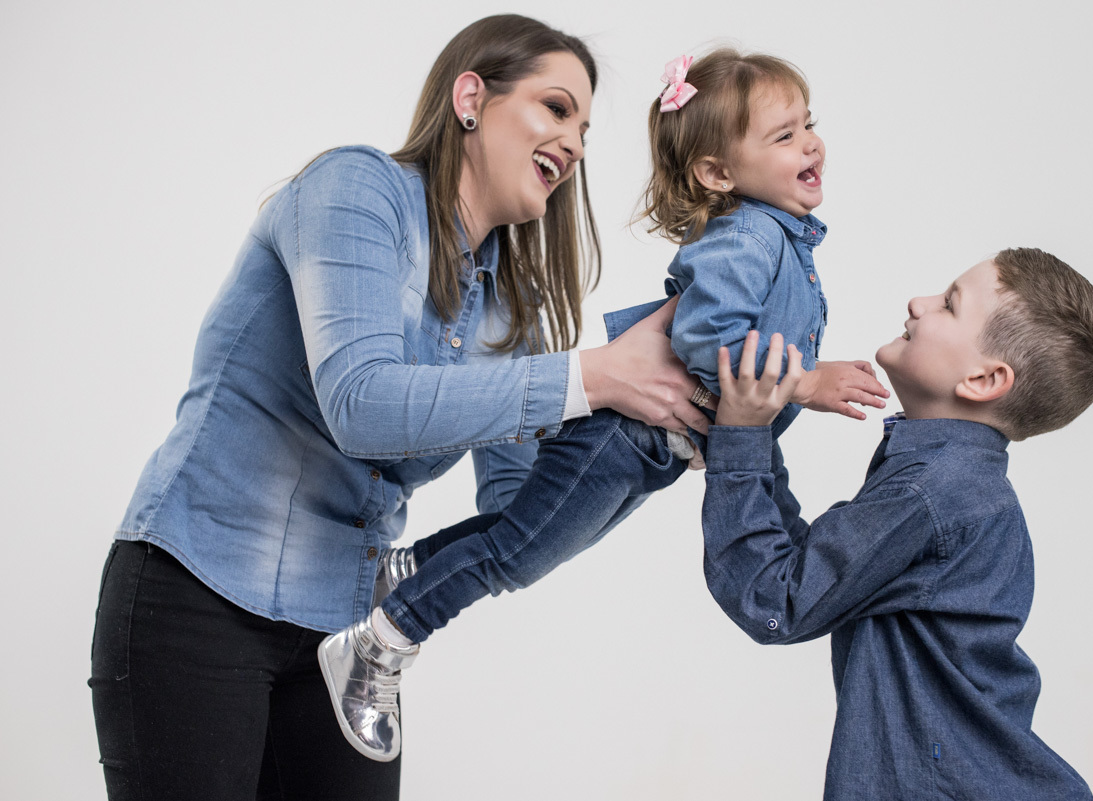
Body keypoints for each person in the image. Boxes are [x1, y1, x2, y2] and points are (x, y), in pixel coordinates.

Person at [88, 15, 715, 800]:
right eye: (557, 108)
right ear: (470, 98)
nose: (577, 143)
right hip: (196, 595)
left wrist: (658, 444)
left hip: (345, 639)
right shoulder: (355, 190)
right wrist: (598, 374)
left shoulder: (506, 312)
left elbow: (523, 520)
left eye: (586, 128)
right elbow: (362, 402)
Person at [322, 49, 890, 761]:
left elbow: (739, 396)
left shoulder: (779, 237)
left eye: (809, 125)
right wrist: (806, 381)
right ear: (717, 173)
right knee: (516, 554)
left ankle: (403, 571)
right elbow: (706, 332)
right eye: (784, 136)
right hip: (620, 437)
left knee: (522, 535)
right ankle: (378, 642)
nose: (810, 143)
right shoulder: (747, 235)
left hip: (652, 448)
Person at [702, 248, 1093, 799]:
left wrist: (742, 435)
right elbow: (811, 577)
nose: (917, 303)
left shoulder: (932, 494)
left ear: (985, 378)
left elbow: (774, 601)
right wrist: (754, 426)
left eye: (948, 304)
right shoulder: (953, 482)